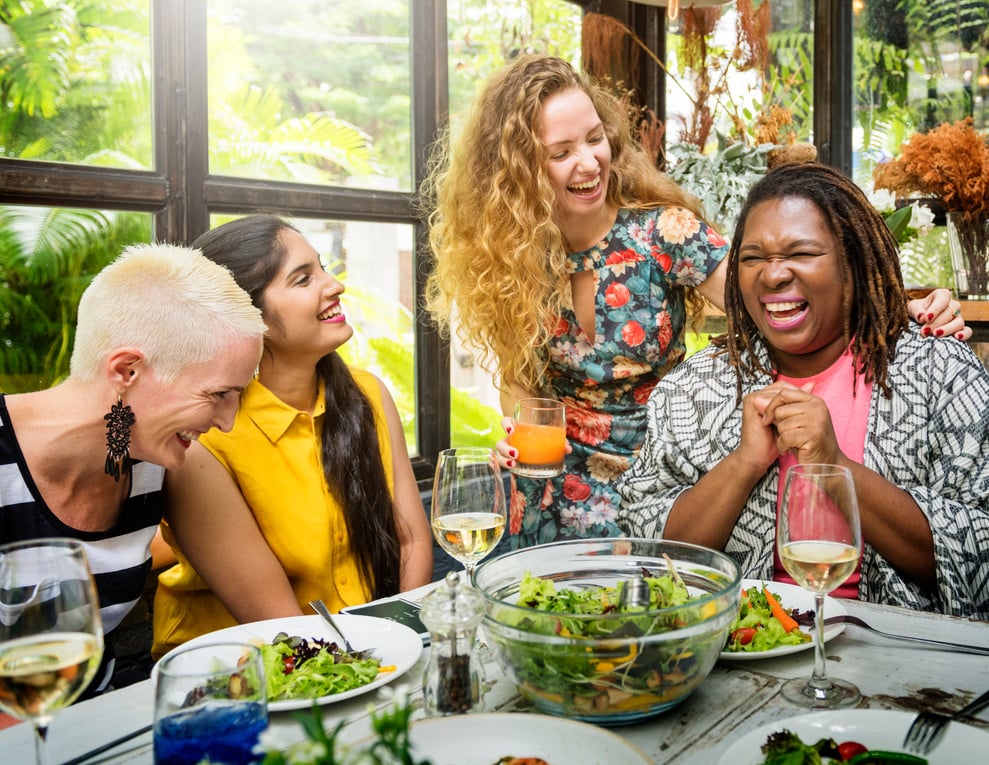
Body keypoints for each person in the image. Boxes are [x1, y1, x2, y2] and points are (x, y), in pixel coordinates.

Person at [423, 54, 969, 551]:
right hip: (545, 498)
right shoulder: (509, 261)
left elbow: (772, 296)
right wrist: (515, 438)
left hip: (656, 495)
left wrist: (899, 309)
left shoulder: (664, 233)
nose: (589, 163)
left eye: (594, 138)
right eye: (561, 152)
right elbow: (520, 386)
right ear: (518, 170)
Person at [617, 162, 989, 619]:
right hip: (748, 645)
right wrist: (743, 464)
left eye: (802, 252)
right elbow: (648, 551)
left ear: (852, 262)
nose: (773, 275)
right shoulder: (695, 387)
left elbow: (978, 557)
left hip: (898, 649)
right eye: (752, 258)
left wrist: (833, 465)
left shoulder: (938, 371)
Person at [152, 215, 433, 658]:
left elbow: (411, 541)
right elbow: (281, 626)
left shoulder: (368, 395)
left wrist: (403, 641)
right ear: (247, 316)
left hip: (371, 650)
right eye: (303, 279)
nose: (335, 285)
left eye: (322, 267)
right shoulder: (205, 439)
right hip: (239, 671)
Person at [0, 243, 265, 701]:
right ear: (126, 371)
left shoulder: (165, 461)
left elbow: (273, 621)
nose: (228, 422)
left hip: (100, 723)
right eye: (218, 394)